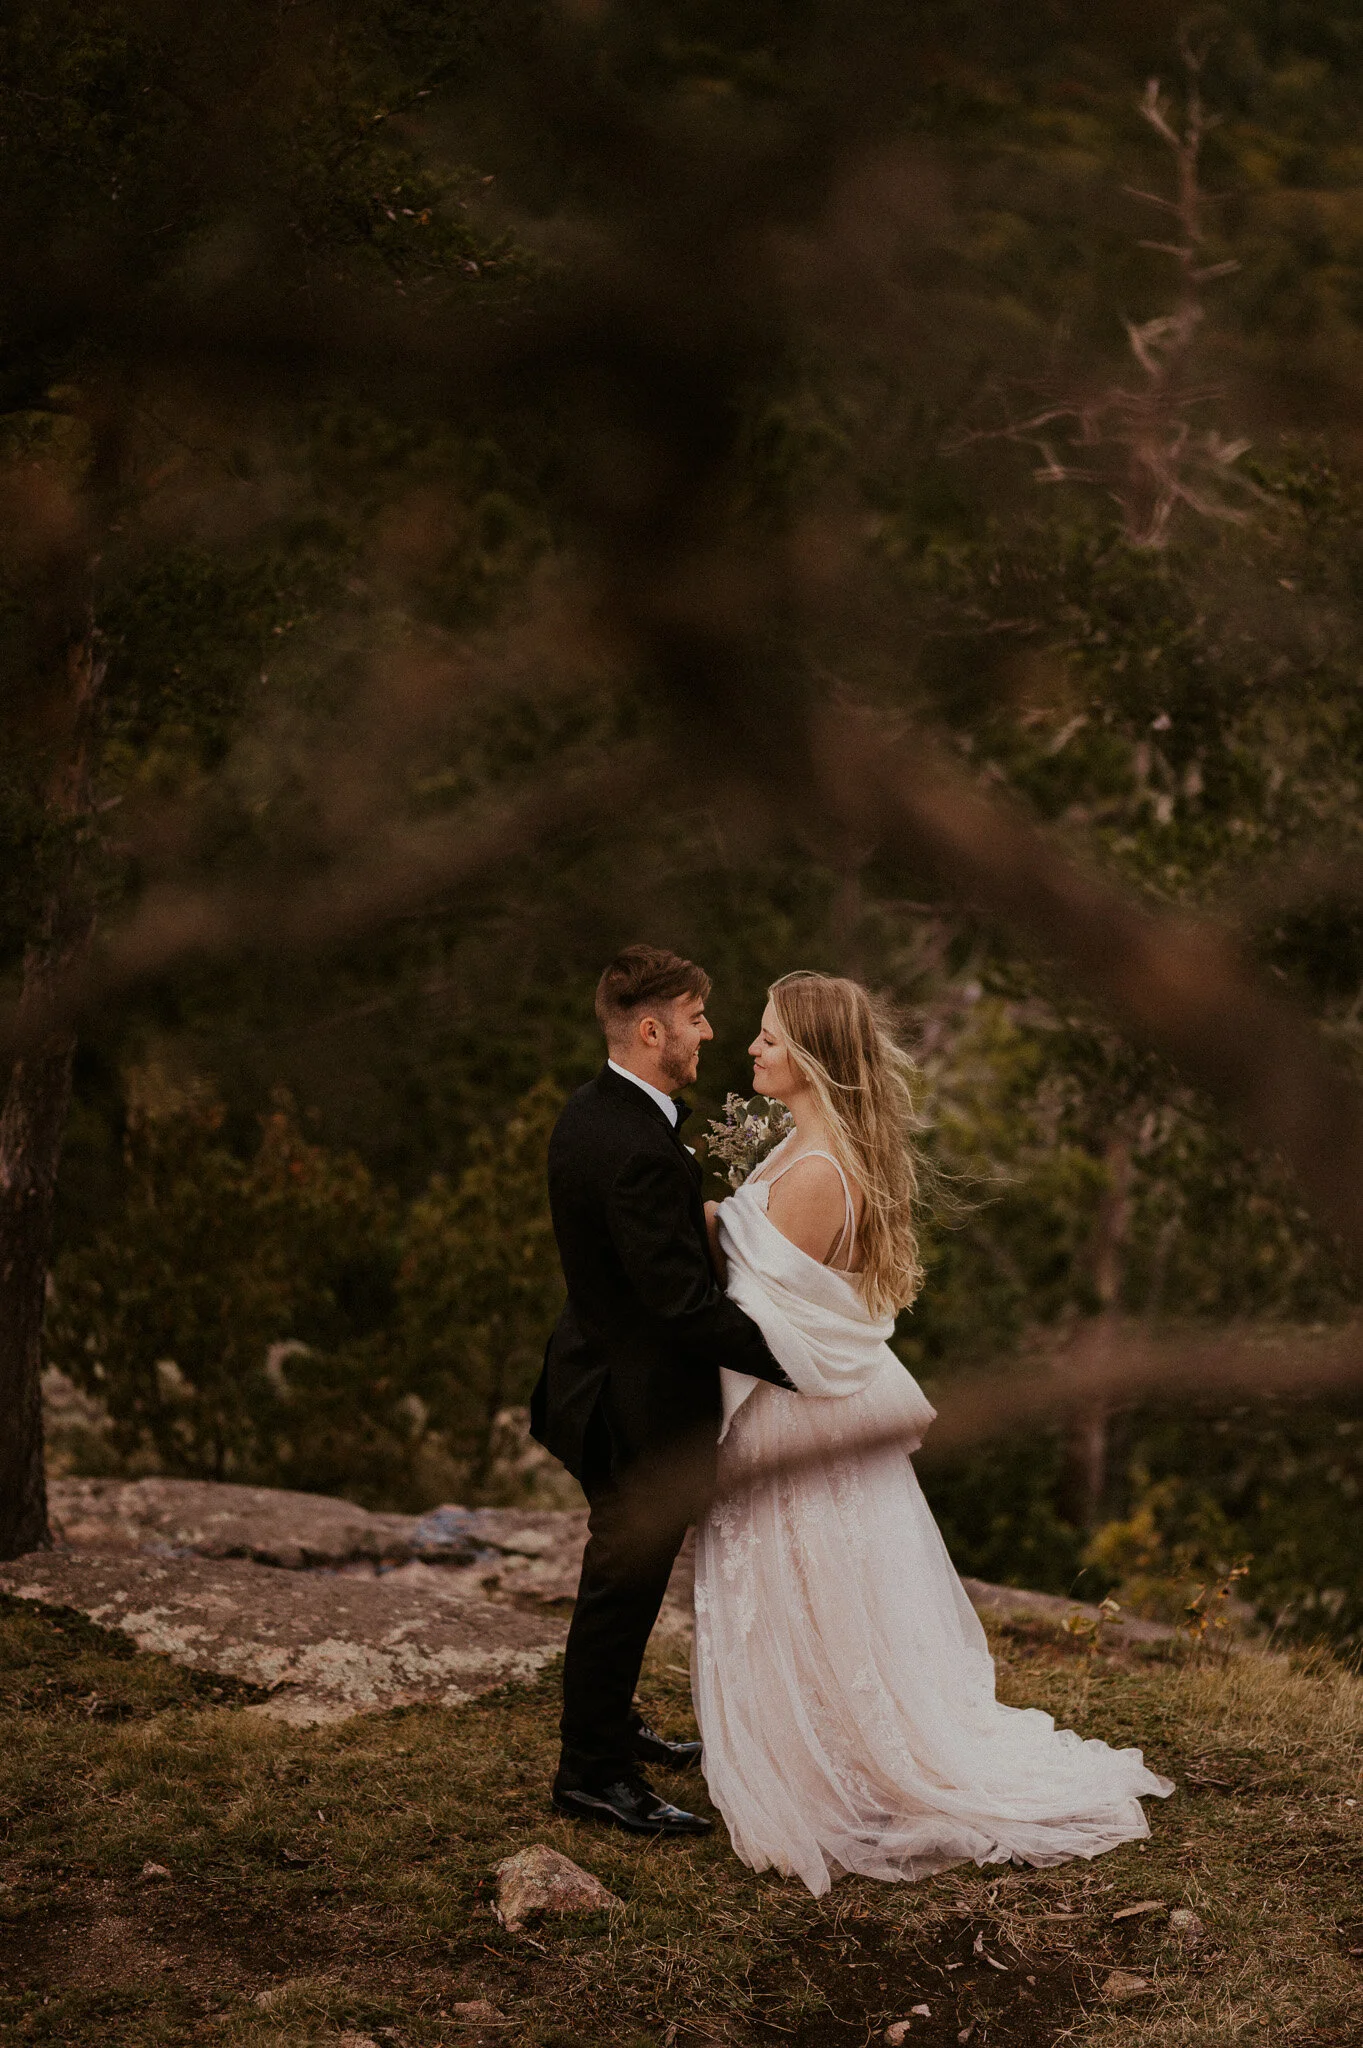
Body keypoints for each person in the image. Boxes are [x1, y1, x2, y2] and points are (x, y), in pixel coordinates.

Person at [692, 970, 1174, 1896]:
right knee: (817, 1589)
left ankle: (834, 1766)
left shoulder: (815, 1172)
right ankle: (820, 1737)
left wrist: (685, 1219)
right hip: (811, 1410)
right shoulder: (810, 1148)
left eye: (769, 1038)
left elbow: (756, 1315)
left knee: (805, 1587)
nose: (752, 1049)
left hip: (790, 1416)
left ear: (814, 1059)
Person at [531, 944, 796, 1838]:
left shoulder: (598, 1111)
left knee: (626, 1582)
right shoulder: (634, 1143)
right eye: (693, 1018)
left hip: (595, 1377)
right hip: (631, 1407)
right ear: (651, 1030)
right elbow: (681, 1305)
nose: (708, 1032)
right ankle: (591, 1774)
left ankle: (608, 1729)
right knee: (621, 1582)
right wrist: (802, 1359)